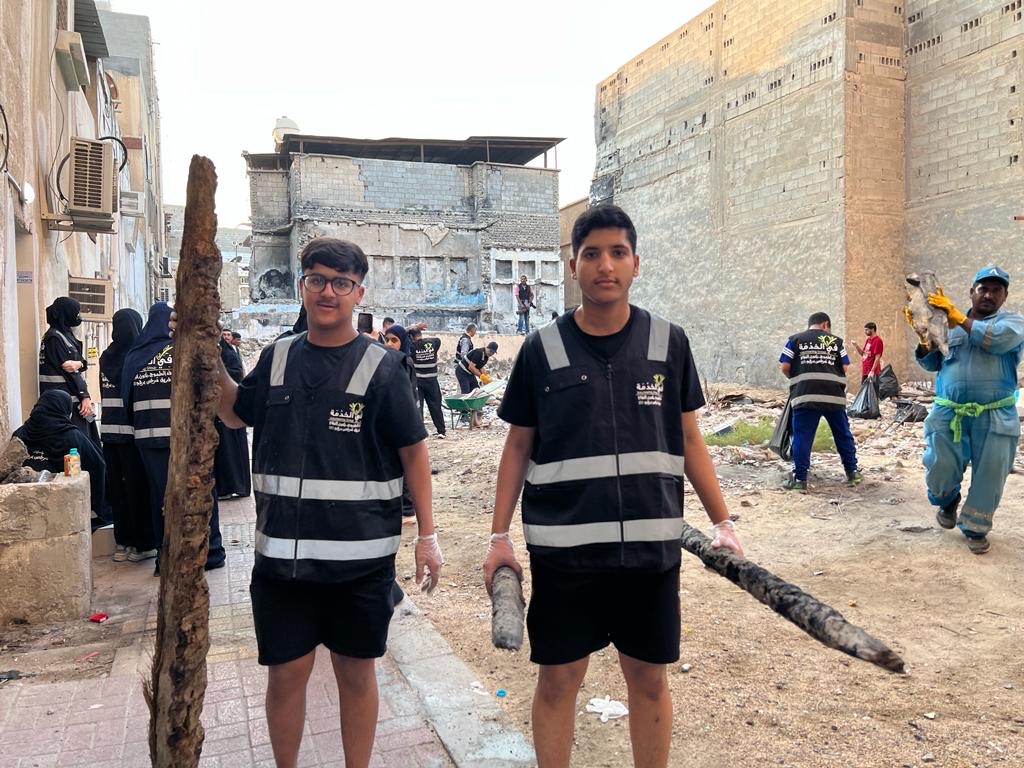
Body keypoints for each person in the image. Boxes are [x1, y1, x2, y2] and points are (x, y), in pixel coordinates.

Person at [482, 204, 744, 768]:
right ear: (572, 265)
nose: (606, 265)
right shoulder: (541, 350)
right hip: (566, 558)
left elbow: (689, 438)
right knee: (558, 681)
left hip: (649, 556)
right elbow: (518, 446)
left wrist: (722, 522)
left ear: (636, 263)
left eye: (618, 253)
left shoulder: (668, 343)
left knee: (649, 680)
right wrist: (499, 538)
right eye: (592, 254)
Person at [213, 237, 442, 768]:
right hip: (283, 563)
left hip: (359, 564)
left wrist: (427, 537)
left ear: (359, 292)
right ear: (302, 286)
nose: (328, 292)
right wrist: (205, 354)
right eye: (317, 280)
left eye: (341, 283)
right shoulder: (277, 357)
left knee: (356, 674)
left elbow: (414, 452)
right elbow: (233, 413)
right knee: (286, 674)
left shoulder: (383, 367)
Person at [907, 265, 1024, 555]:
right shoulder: (948, 324)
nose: (989, 295)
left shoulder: (1013, 322)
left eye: (996, 290)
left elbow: (996, 340)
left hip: (995, 415)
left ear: (1004, 296)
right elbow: (933, 362)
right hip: (949, 413)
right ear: (972, 292)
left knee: (990, 474)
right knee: (939, 465)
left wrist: (958, 317)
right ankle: (947, 500)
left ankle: (975, 527)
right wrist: (925, 338)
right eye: (983, 289)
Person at [123, 302, 225, 573]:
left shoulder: (136, 355)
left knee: (162, 498)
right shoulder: (183, 351)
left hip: (149, 441)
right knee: (201, 491)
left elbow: (126, 397)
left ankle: (167, 556)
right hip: (189, 439)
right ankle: (211, 551)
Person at [779, 312, 861, 491]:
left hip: (805, 395)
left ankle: (800, 480)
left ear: (810, 324)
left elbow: (784, 366)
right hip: (833, 396)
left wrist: (799, 380)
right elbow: (845, 367)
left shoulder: (794, 340)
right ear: (825, 324)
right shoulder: (836, 342)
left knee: (802, 437)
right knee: (842, 434)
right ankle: (852, 473)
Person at [99, 308, 156, 561]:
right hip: (132, 434)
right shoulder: (137, 356)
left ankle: (122, 543)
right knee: (138, 490)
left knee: (118, 492)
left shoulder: (106, 356)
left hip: (109, 433)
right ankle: (142, 545)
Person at [15, 390, 108, 529]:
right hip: (64, 506)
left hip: (24, 506)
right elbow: (98, 466)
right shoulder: (72, 436)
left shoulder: (21, 433)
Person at [38, 297, 99, 445]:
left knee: (88, 441)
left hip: (71, 400)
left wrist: (80, 363)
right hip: (64, 402)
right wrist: (85, 397)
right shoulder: (54, 338)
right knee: (77, 444)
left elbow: (79, 363)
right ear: (66, 314)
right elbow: (70, 372)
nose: (78, 317)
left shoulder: (65, 335)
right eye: (75, 312)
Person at [383, 323, 420, 523]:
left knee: (404, 465)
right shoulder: (384, 361)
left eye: (394, 340)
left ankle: (407, 510)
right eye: (387, 340)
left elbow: (408, 395)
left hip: (402, 419)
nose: (389, 344)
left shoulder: (405, 363)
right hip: (387, 420)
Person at [214, 334, 251, 500]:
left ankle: (235, 486)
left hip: (230, 411)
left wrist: (216, 373)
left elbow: (237, 374)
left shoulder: (229, 354)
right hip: (217, 415)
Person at [408, 327, 446, 438]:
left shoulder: (412, 346)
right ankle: (441, 431)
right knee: (436, 406)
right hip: (432, 381)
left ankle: (419, 434)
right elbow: (438, 339)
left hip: (418, 382)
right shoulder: (433, 343)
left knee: (418, 407)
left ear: (411, 337)